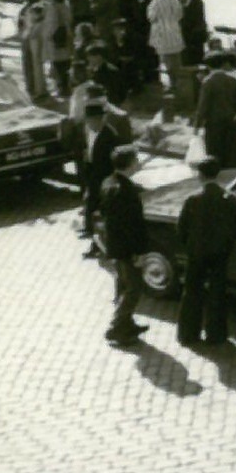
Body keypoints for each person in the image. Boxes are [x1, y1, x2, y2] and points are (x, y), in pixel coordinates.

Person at [176, 156, 236, 347]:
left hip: (196, 253)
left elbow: (182, 228)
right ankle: (216, 335)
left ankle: (188, 334)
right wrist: (226, 245)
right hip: (220, 254)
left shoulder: (192, 200)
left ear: (200, 175)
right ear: (218, 174)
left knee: (192, 292)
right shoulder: (230, 199)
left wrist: (190, 245)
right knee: (217, 292)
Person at [97, 146, 149, 347]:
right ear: (129, 164)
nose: (139, 162)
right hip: (127, 248)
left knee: (123, 284)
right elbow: (132, 225)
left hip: (115, 245)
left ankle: (128, 324)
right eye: (136, 159)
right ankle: (116, 327)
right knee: (134, 288)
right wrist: (138, 252)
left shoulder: (109, 182)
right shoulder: (126, 190)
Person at [77, 98, 121, 255]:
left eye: (91, 120)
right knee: (92, 211)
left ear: (98, 119)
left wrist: (110, 181)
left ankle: (106, 246)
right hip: (93, 178)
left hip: (105, 180)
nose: (88, 123)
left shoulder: (110, 135)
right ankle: (95, 244)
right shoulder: (89, 132)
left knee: (103, 214)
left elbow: (114, 162)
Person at [194, 50, 236, 169]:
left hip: (213, 122)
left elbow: (203, 106)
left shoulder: (208, 82)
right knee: (230, 150)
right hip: (229, 119)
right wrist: (232, 112)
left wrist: (197, 125)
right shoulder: (233, 80)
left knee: (214, 151)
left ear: (208, 65)